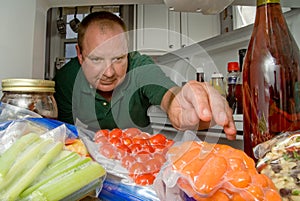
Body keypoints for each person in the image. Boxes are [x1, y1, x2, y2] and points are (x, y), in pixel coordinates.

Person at [53, 11, 236, 140]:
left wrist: (181, 106)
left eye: (118, 58)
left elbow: (169, 95)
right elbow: (66, 136)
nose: (109, 73)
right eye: (96, 59)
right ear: (80, 54)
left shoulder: (140, 67)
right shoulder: (65, 80)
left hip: (141, 158)